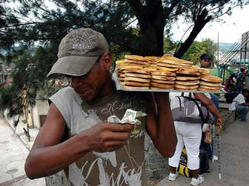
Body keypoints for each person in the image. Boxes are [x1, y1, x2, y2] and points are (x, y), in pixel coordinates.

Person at [24, 28, 177, 186]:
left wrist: (162, 95)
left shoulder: (135, 94)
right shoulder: (64, 102)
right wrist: (86, 141)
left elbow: (168, 150)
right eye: (69, 75)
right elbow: (32, 167)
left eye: (81, 73)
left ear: (106, 61)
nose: (74, 83)